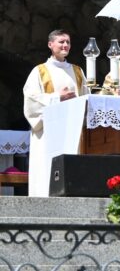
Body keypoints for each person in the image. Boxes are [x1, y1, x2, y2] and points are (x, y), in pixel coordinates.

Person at [23, 29, 89, 197]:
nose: (65, 45)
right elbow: (31, 100)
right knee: (46, 170)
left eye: (67, 42)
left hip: (72, 129)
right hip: (47, 129)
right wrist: (57, 98)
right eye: (61, 42)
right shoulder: (40, 71)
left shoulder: (77, 71)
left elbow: (86, 97)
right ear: (50, 44)